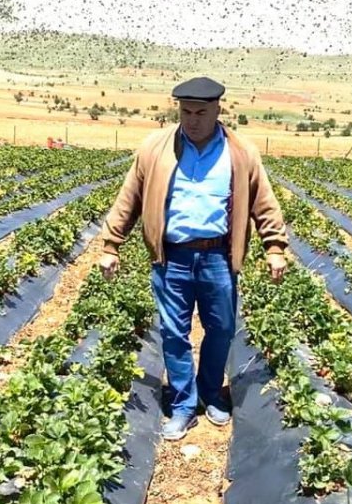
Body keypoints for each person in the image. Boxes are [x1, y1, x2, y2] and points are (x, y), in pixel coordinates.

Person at [99, 76, 288, 441]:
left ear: (218, 110)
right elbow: (129, 198)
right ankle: (184, 405)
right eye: (186, 112)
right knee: (174, 333)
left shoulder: (241, 152)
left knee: (221, 329)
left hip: (219, 257)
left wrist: (275, 247)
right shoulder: (156, 148)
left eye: (201, 113)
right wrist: (111, 245)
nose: (193, 120)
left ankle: (211, 392)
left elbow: (263, 202)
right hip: (172, 258)